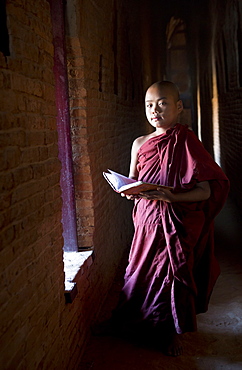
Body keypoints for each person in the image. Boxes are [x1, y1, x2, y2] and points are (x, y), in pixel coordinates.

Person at [111, 81, 230, 356]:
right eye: (149, 105)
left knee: (171, 274)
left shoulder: (186, 142)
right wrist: (128, 192)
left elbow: (206, 189)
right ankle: (126, 322)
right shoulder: (139, 143)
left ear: (178, 107)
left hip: (174, 221)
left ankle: (171, 332)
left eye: (163, 103)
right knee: (137, 271)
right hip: (145, 220)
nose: (155, 110)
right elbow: (134, 181)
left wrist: (173, 197)